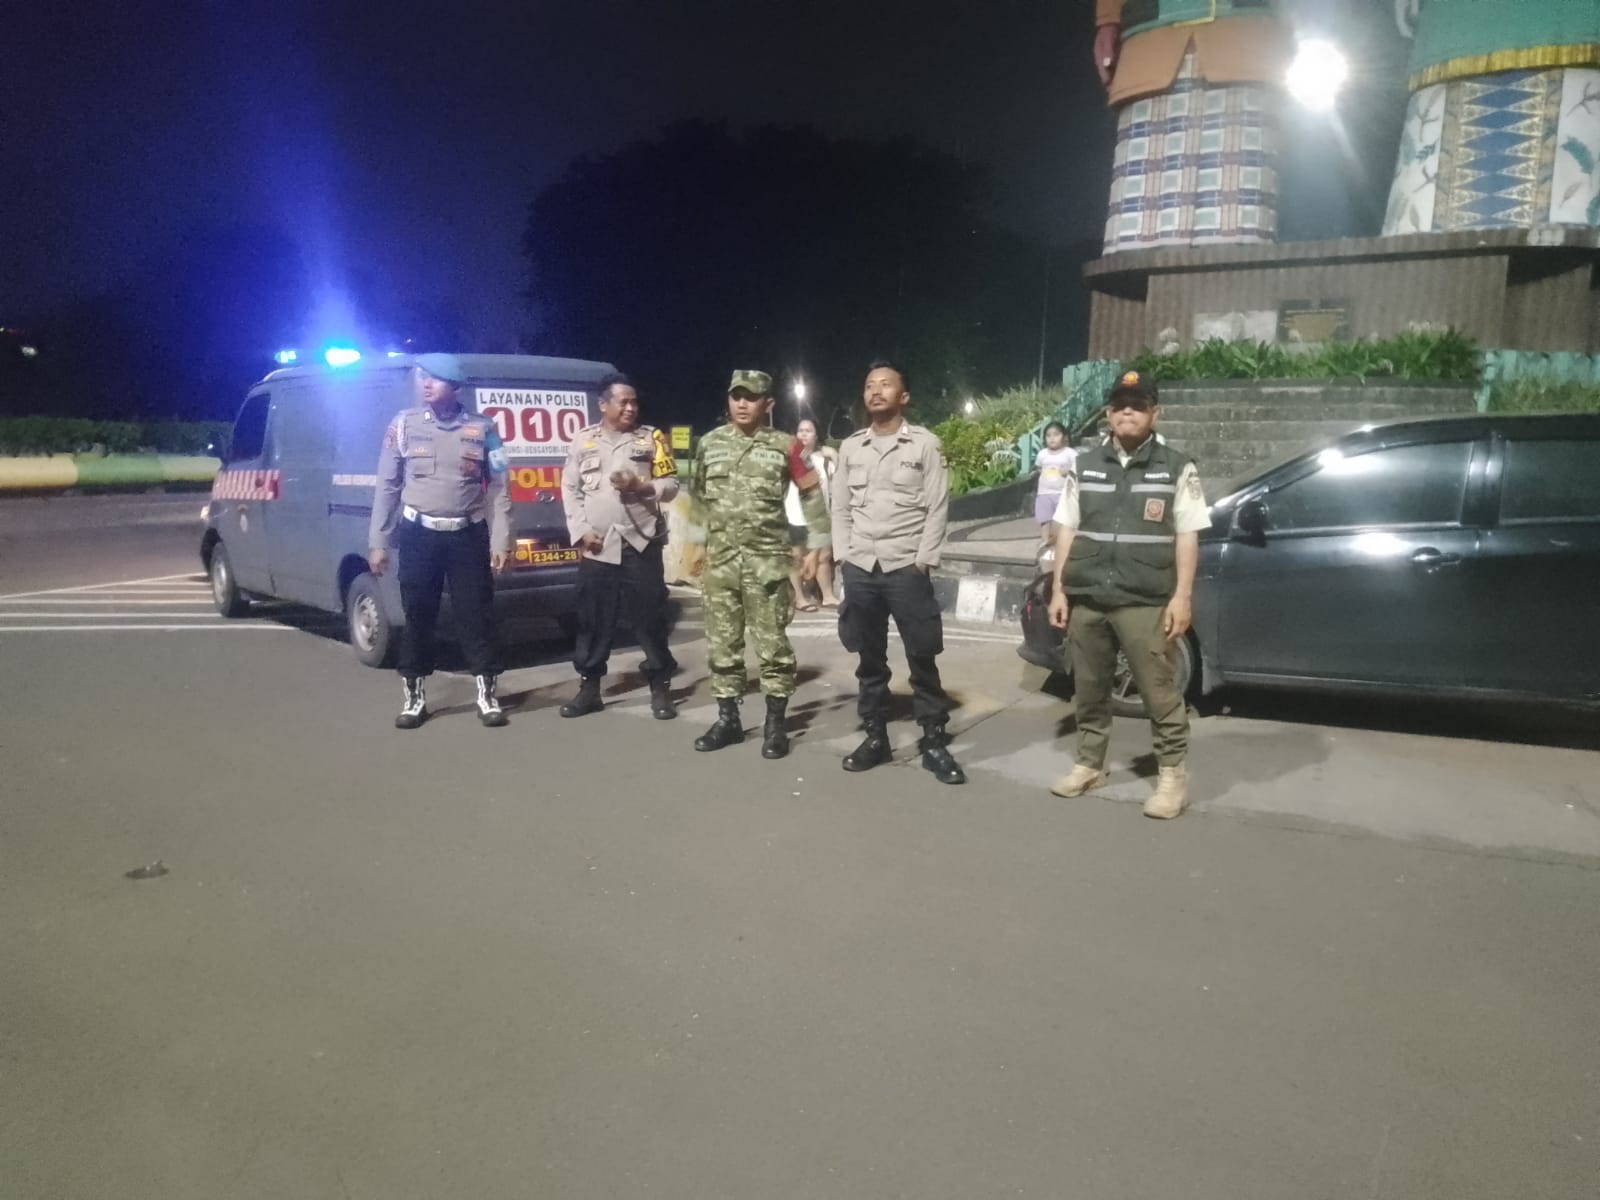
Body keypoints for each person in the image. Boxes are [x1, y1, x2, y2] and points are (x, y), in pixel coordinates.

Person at [1046, 369, 1209, 819]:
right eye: (1120, 406)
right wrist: (1059, 589)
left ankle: (1173, 776)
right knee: (1089, 687)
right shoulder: (1084, 465)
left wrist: (1182, 597)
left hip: (1145, 598)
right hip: (1088, 594)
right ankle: (1089, 764)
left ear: (1156, 413)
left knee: (1159, 691)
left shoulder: (1177, 467)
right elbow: (1067, 529)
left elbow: (1188, 535)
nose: (1128, 413)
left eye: (1138, 406)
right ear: (1108, 414)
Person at [832, 361, 965, 786]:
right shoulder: (851, 447)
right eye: (870, 385)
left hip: (906, 565)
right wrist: (843, 556)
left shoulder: (925, 445)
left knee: (921, 656)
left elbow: (937, 506)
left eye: (886, 385)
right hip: (861, 566)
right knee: (869, 659)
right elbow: (839, 508)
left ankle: (933, 741)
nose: (876, 391)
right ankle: (876, 737)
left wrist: (923, 560)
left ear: (903, 396)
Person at [368, 352, 513, 730]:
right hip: (419, 535)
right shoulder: (403, 425)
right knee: (417, 613)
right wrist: (379, 540)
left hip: (467, 534)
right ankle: (414, 697)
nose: (426, 384)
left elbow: (499, 487)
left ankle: (487, 694)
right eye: (423, 378)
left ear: (454, 386)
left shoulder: (484, 428)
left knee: (476, 613)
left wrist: (500, 541)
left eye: (434, 379)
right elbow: (387, 485)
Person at [689, 370, 830, 760]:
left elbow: (812, 495)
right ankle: (728, 720)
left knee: (773, 648)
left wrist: (817, 547)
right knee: (723, 647)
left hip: (766, 564)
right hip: (721, 563)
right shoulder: (710, 444)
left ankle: (775, 725)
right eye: (736, 395)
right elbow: (698, 498)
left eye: (751, 397)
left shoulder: (787, 446)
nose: (741, 403)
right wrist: (695, 547)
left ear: (768, 404)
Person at [558, 373, 679, 721]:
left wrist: (641, 486)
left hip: (641, 542)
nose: (630, 408)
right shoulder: (583, 440)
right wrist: (581, 531)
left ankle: (660, 687)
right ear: (603, 405)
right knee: (593, 619)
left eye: (634, 402)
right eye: (623, 402)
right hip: (598, 545)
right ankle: (590, 689)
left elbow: (671, 484)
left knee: (650, 618)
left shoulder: (651, 438)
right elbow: (570, 489)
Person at [786, 417, 840, 610]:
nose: (804, 434)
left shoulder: (825, 461)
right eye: (801, 430)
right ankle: (799, 598)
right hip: (795, 516)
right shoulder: (789, 458)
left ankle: (828, 596)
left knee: (824, 556)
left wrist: (834, 454)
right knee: (796, 557)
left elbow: (837, 483)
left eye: (808, 431)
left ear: (816, 436)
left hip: (819, 516)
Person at [1033, 422, 1076, 544]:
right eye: (1048, 435)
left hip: (1064, 493)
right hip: (1044, 493)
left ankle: (1062, 542)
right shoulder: (1042, 454)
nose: (1052, 438)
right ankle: (1045, 542)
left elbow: (1078, 468)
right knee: (1044, 519)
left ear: (1064, 437)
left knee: (1062, 520)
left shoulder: (1070, 453)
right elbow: (1039, 468)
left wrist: (1069, 471)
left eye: (1056, 435)